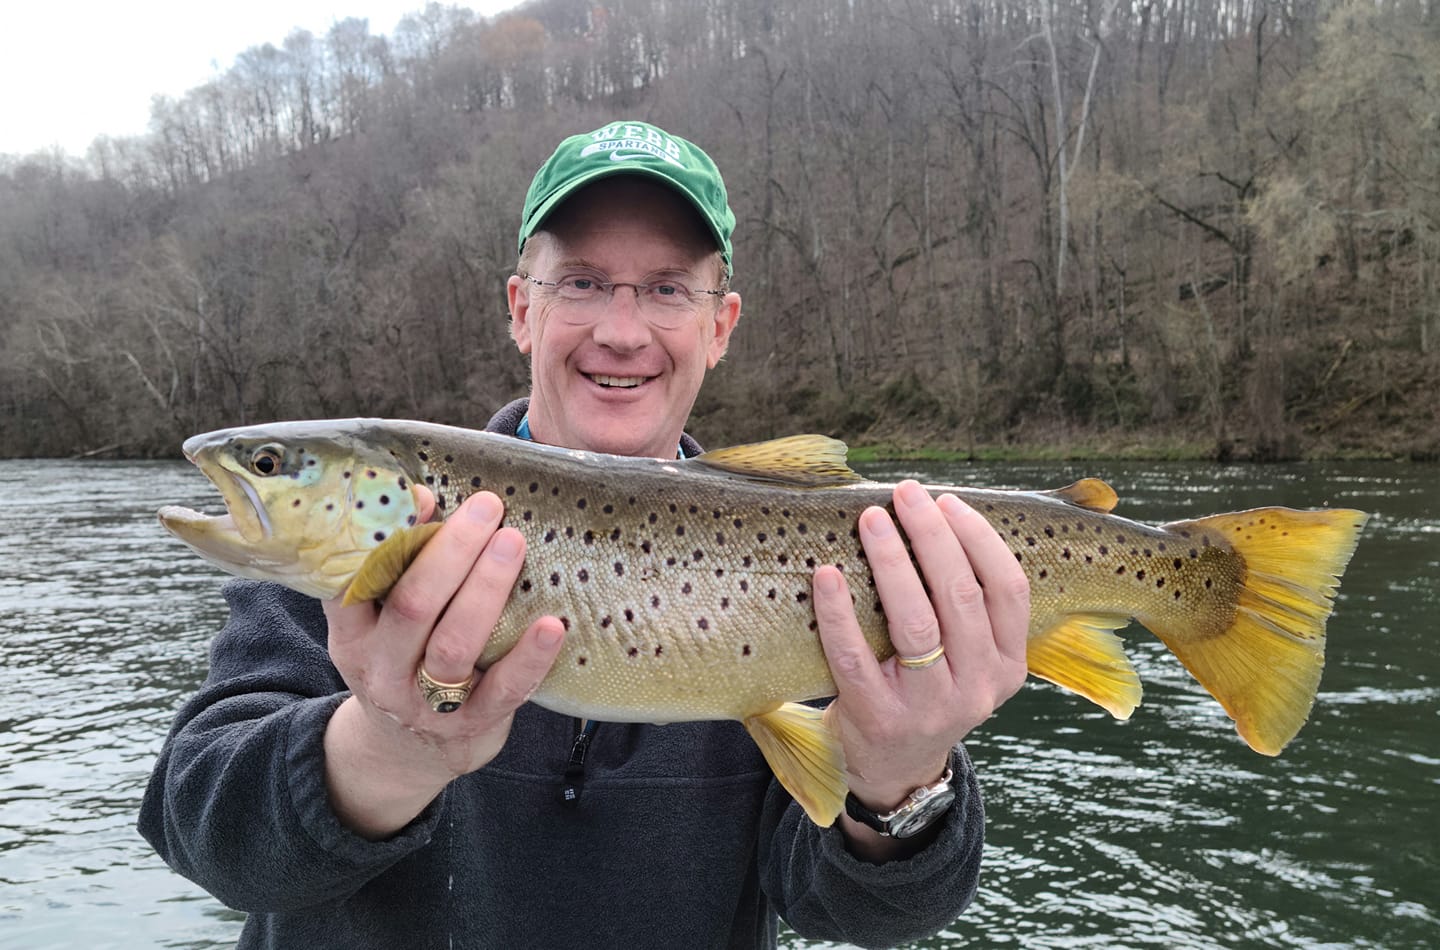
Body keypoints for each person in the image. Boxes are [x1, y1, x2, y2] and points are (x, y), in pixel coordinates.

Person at [139, 120, 1030, 949]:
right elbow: (202, 835)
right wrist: (384, 751)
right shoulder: (338, 571)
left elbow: (859, 914)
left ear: (718, 327)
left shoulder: (828, 564)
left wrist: (905, 786)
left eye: (667, 289)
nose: (620, 329)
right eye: (583, 283)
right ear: (522, 308)